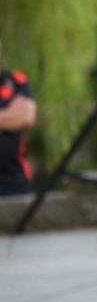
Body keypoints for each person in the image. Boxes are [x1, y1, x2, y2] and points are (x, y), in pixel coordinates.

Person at [0, 42, 37, 197]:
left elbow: (26, 117)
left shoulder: (17, 80)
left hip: (15, 182)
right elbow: (16, 117)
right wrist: (8, 116)